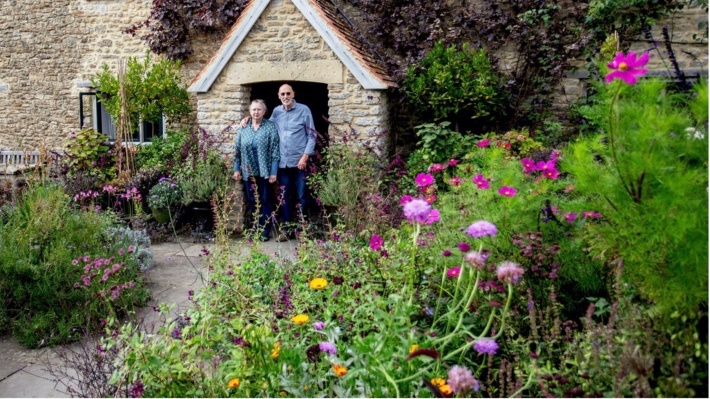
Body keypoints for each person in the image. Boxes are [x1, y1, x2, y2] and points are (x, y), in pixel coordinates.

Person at [241, 84, 316, 241]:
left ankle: (302, 230)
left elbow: (312, 135)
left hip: (299, 162)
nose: (286, 96)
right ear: (278, 95)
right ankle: (287, 229)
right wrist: (249, 119)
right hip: (283, 164)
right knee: (284, 197)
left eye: (288, 93)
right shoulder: (276, 111)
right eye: (283, 93)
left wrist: (305, 156)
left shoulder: (304, 110)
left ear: (293, 94)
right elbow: (264, 124)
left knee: (302, 196)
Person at [233, 99, 280, 241]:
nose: (256, 112)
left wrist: (273, 172)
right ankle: (254, 228)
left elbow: (275, 151)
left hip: (265, 171)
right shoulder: (243, 128)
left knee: (265, 199)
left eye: (259, 109)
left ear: (264, 112)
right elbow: (237, 150)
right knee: (253, 200)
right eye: (254, 109)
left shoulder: (270, 127)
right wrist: (236, 169)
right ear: (250, 111)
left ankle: (265, 229)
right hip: (249, 171)